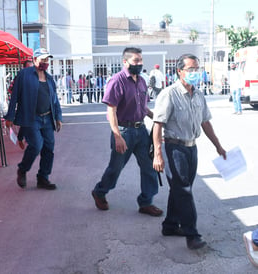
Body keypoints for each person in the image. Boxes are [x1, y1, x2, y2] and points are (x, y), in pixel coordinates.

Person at [152, 53, 226, 250]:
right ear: (179, 71)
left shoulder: (199, 95)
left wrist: (218, 145)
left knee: (180, 189)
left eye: (197, 70)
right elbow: (157, 124)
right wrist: (158, 154)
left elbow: (205, 121)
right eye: (191, 70)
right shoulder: (169, 94)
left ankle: (169, 225)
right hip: (174, 148)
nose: (195, 73)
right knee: (183, 191)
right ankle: (192, 234)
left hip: (191, 148)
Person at [91, 47, 162, 217]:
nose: (139, 63)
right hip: (124, 131)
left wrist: (158, 119)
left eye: (141, 60)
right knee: (115, 168)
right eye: (136, 61)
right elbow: (111, 110)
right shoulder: (117, 81)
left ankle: (146, 202)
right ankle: (100, 191)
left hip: (141, 131)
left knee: (149, 167)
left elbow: (142, 107)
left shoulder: (142, 81)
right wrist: (117, 136)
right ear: (125, 62)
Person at [5, 48, 62, 190]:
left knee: (49, 149)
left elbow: (55, 100)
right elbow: (15, 97)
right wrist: (10, 116)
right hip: (31, 118)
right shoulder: (24, 75)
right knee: (36, 145)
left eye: (47, 60)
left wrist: (58, 117)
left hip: (48, 118)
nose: (45, 62)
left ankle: (43, 178)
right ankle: (23, 169)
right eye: (43, 59)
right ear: (35, 59)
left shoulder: (49, 79)